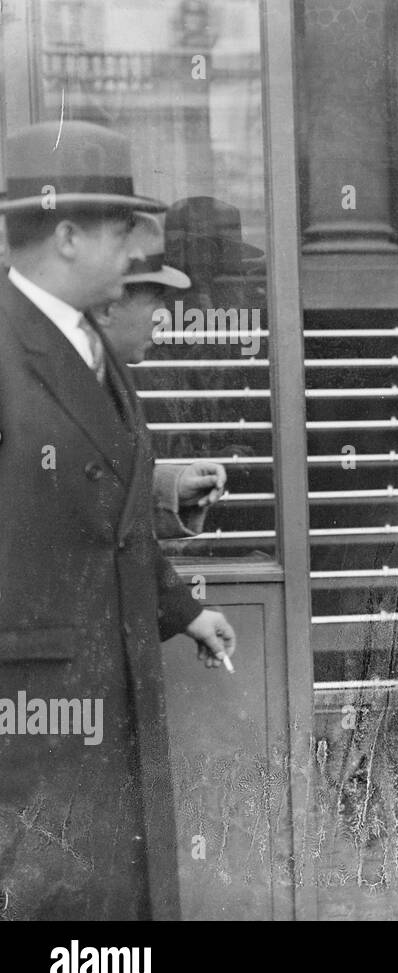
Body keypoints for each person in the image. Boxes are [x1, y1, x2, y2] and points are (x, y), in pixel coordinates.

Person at [0, 120, 236, 920]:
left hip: (109, 704)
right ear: (66, 235)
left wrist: (183, 610)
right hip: (32, 739)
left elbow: (105, 507)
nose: (137, 247)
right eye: (120, 228)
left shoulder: (88, 347)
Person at [88, 214, 228, 538]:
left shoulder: (109, 378)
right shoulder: (46, 386)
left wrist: (172, 488)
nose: (164, 318)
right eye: (154, 300)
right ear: (108, 307)